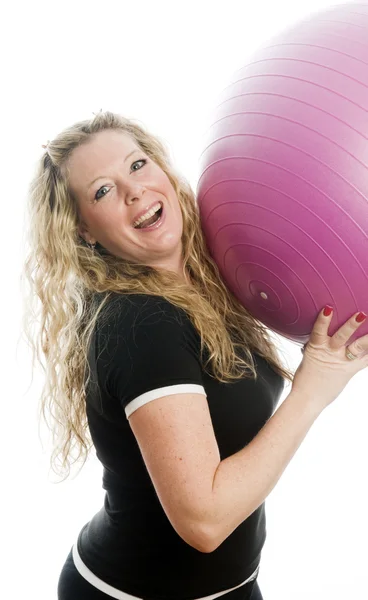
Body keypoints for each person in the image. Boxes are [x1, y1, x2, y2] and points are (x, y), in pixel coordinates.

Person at [22, 110, 368, 600]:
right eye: (102, 190)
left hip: (231, 587)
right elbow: (204, 521)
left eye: (138, 166)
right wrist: (312, 391)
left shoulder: (205, 277)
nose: (134, 191)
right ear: (84, 231)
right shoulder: (141, 325)